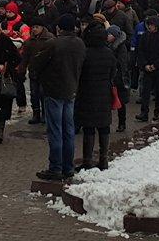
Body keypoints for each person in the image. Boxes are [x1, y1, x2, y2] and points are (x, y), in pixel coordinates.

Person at [33, 14, 86, 181]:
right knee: (68, 130)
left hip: (54, 90)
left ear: (59, 28)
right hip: (71, 90)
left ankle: (55, 167)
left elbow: (36, 64)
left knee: (55, 131)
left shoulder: (53, 44)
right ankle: (68, 167)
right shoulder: (80, 43)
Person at [74, 22, 117, 170]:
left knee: (89, 128)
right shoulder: (109, 53)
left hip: (87, 93)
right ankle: (103, 160)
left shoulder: (85, 53)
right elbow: (113, 73)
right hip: (104, 93)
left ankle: (87, 160)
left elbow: (79, 73)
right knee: (104, 127)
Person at [18, 16, 54, 124]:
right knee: (34, 94)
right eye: (33, 27)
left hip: (46, 72)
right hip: (34, 72)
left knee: (44, 94)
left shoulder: (50, 39)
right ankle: (36, 114)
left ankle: (45, 114)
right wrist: (22, 70)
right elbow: (25, 58)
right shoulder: (29, 41)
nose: (34, 29)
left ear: (42, 27)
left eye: (37, 27)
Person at [134, 15, 159, 122]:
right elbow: (141, 51)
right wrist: (145, 65)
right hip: (147, 68)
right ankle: (144, 113)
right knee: (145, 92)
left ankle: (157, 112)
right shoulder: (145, 36)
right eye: (148, 25)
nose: (150, 27)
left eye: (152, 25)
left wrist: (155, 65)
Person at [106, 24, 130, 132]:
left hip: (119, 78)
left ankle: (122, 123)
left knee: (120, 101)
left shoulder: (121, 47)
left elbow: (122, 64)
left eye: (109, 34)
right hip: (111, 76)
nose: (107, 36)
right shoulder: (109, 45)